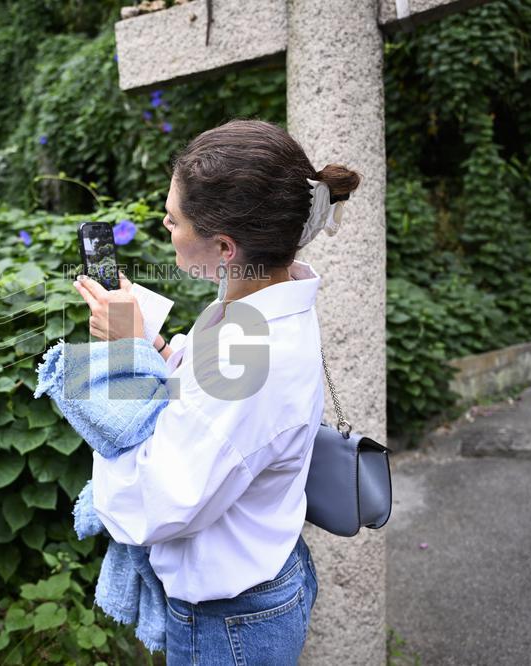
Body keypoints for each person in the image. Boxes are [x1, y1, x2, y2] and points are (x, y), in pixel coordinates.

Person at [71, 118, 362, 665]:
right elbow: (208, 399)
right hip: (266, 580)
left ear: (224, 246)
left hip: (232, 625)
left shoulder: (248, 353)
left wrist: (121, 361)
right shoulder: (264, 300)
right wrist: (153, 348)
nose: (163, 223)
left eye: (173, 218)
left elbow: (159, 501)